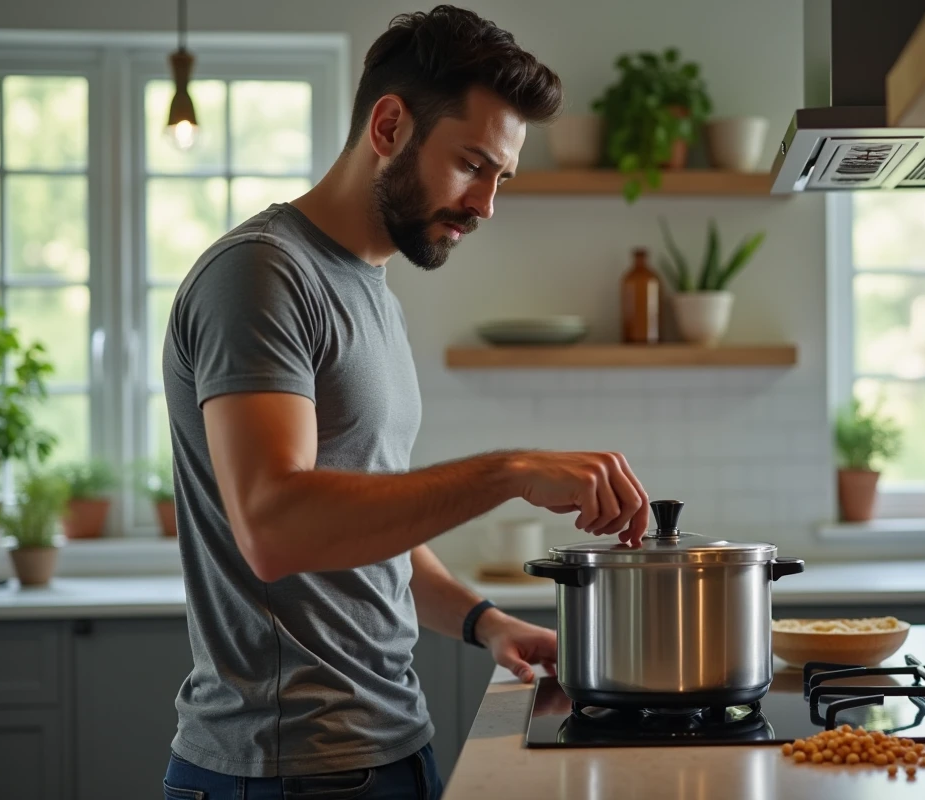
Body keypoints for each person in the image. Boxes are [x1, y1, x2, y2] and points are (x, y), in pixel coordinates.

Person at [159, 5, 650, 800]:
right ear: (389, 125)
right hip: (288, 769)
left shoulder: (372, 289)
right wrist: (510, 470)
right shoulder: (261, 276)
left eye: (502, 178)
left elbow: (367, 515)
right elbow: (275, 527)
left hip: (386, 745)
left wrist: (484, 621)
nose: (487, 204)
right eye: (472, 165)